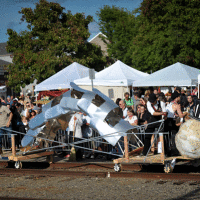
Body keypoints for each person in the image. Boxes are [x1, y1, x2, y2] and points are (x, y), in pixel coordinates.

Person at [165, 91, 185, 156]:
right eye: (179, 97)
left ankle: (167, 152)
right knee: (175, 135)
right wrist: (186, 113)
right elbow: (181, 115)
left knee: (168, 136)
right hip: (172, 122)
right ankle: (174, 151)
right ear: (176, 98)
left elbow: (170, 113)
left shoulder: (169, 104)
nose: (180, 98)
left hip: (166, 121)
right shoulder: (177, 105)